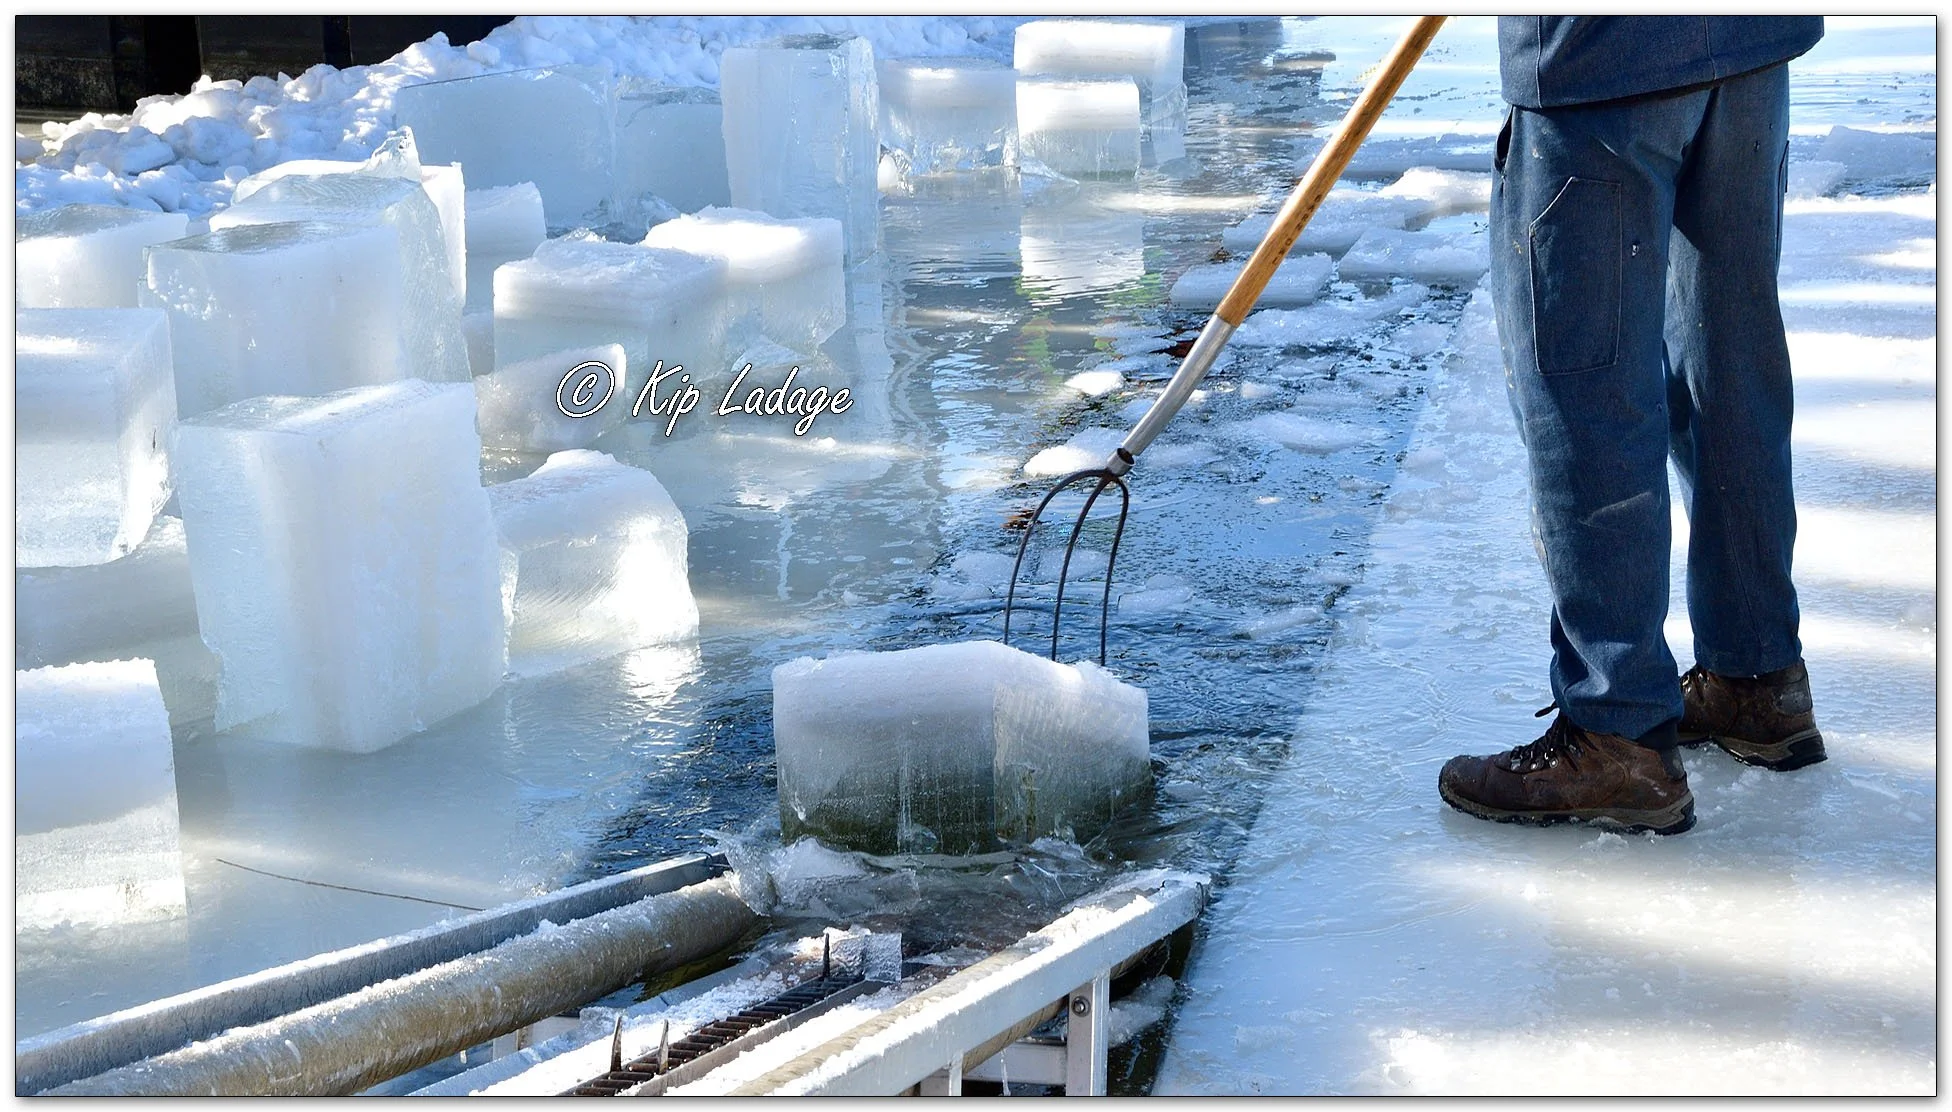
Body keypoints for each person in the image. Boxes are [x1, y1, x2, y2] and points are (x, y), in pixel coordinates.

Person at [1437, 16, 1828, 836]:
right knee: (1730, 369)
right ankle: (1755, 680)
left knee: (1586, 394)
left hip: (1599, 62)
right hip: (1748, 49)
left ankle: (1616, 733)